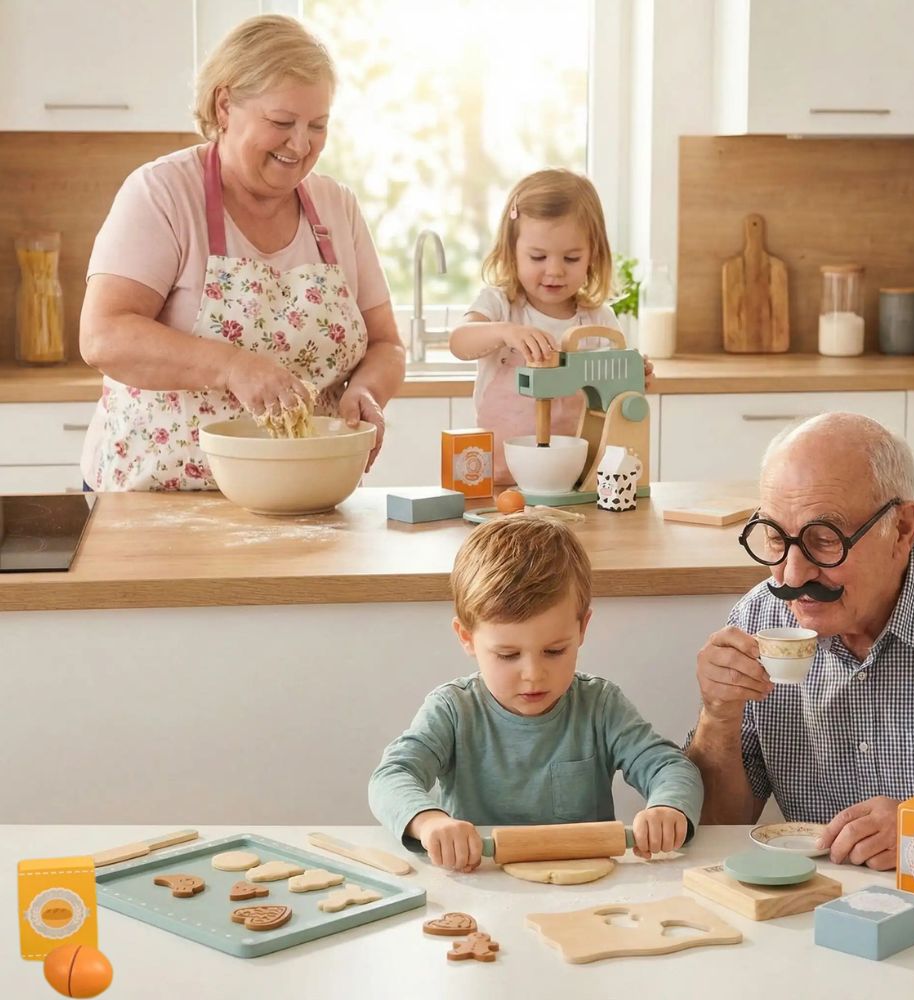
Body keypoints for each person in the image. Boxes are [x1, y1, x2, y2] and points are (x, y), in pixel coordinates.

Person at [78, 14, 404, 491]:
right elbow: (104, 336)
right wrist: (232, 366)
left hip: (304, 496)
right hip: (159, 497)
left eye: (317, 125)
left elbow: (387, 345)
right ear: (225, 106)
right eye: (281, 122)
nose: (301, 144)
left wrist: (367, 391)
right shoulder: (163, 193)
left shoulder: (337, 207)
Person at [686, 412, 914, 869]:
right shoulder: (758, 617)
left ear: (904, 528)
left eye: (825, 539)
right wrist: (717, 716)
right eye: (776, 536)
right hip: (811, 907)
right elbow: (720, 826)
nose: (792, 575)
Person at [368, 515, 703, 872]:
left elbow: (671, 767)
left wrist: (667, 808)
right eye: (508, 655)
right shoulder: (453, 711)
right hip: (482, 882)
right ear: (466, 637)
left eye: (555, 650)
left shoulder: (600, 707)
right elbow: (391, 776)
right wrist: (429, 821)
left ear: (582, 627)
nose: (533, 675)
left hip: (587, 887)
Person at [448, 169, 650, 485]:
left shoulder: (597, 321)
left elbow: (614, 398)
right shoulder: (501, 305)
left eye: (571, 258)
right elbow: (459, 342)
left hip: (578, 479)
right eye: (538, 256)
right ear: (511, 252)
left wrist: (634, 375)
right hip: (500, 478)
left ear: (592, 256)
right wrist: (505, 332)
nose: (554, 270)